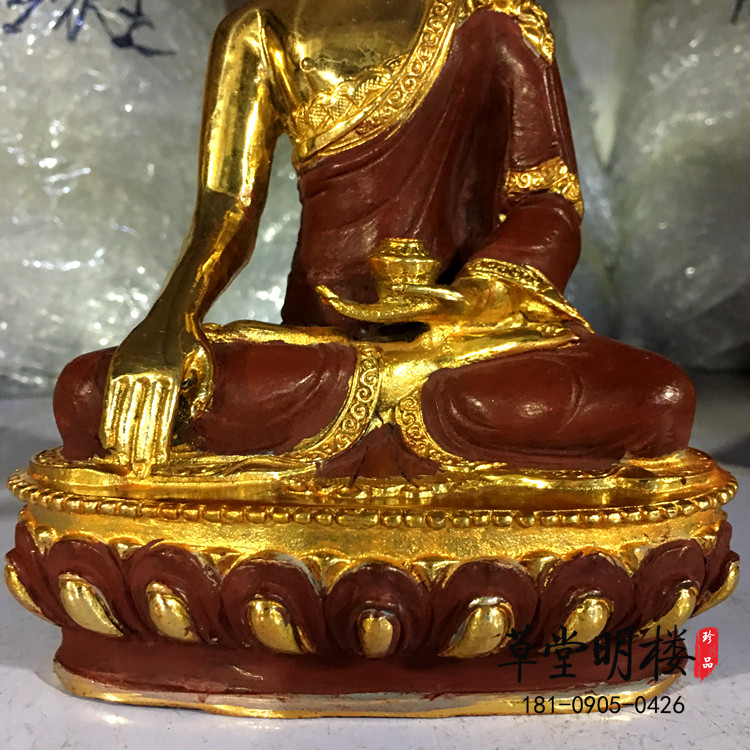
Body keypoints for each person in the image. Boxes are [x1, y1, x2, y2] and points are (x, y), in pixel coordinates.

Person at [54, 0, 694, 480]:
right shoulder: (263, 26)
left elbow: (545, 201)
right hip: (319, 350)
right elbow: (225, 210)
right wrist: (167, 327)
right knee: (89, 392)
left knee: (656, 397)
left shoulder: (493, 19)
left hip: (461, 352)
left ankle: (359, 435)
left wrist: (478, 296)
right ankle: (403, 428)